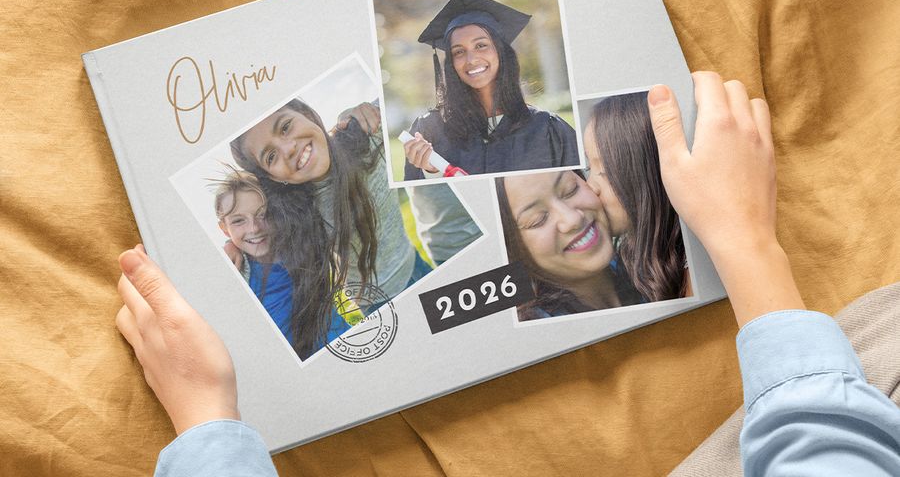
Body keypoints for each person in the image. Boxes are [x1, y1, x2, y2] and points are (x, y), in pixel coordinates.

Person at [115, 73, 900, 476]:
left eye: (289, 130)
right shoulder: (288, 218)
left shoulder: (371, 144)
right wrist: (748, 245)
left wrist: (208, 426)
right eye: (270, 159)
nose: (287, 154)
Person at [228, 98, 431, 358]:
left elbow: (422, 97)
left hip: (416, 265)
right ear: (273, 177)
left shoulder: (368, 134)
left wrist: (362, 112)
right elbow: (251, 238)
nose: (287, 148)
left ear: (308, 114)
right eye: (270, 156)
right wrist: (231, 246)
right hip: (377, 304)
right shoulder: (296, 214)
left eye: (286, 126)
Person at [403, 0, 578, 179]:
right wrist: (431, 171)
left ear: (501, 52)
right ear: (450, 63)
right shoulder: (429, 131)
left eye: (481, 45)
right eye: (458, 51)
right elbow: (425, 204)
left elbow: (580, 192)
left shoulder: (547, 129)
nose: (471, 59)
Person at [211, 169, 360, 355]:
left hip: (343, 342)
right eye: (238, 221)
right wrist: (230, 246)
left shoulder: (300, 240)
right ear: (224, 228)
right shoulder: (237, 272)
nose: (254, 228)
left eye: (263, 214)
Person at [583, 91, 691, 300]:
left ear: (650, 173)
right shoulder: (631, 259)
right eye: (589, 168)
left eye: (605, 171)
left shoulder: (691, 278)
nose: (590, 187)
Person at [496, 169, 642, 319]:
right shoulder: (540, 331)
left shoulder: (647, 263)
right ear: (511, 249)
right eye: (537, 219)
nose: (573, 219)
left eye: (570, 189)